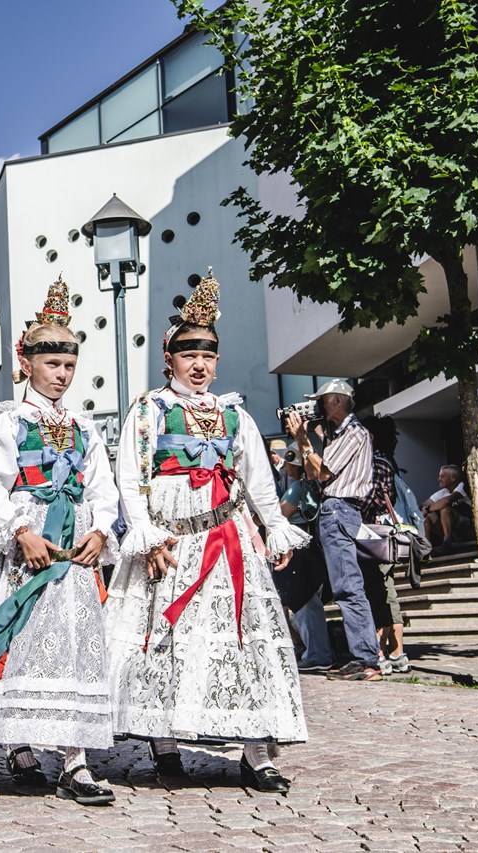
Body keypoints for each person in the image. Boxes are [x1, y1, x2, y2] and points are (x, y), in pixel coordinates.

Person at [103, 274, 308, 794]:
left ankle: (257, 752)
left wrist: (274, 527)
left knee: (243, 643)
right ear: (168, 359)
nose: (199, 365)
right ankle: (165, 744)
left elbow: (258, 480)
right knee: (165, 644)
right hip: (170, 545)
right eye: (188, 355)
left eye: (208, 356)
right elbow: (130, 477)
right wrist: (146, 536)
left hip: (227, 540)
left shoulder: (233, 414)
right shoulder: (148, 412)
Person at [0, 277, 119, 806]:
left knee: (73, 649)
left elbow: (102, 485)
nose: (62, 375)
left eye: (69, 367)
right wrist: (21, 530)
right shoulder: (9, 420)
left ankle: (76, 760)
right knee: (19, 637)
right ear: (28, 363)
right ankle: (17, 740)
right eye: (53, 365)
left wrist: (101, 529)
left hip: (74, 545)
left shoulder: (85, 427)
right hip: (25, 543)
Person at [286, 379, 382, 681]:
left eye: (323, 400)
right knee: (323, 582)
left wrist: (303, 439)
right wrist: (305, 442)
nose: (318, 406)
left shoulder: (354, 433)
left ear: (338, 401)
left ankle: (366, 659)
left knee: (347, 586)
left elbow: (324, 473)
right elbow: (312, 473)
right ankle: (350, 654)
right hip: (332, 511)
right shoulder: (336, 435)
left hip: (340, 509)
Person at [359, 415, 408, 675]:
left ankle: (380, 654)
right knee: (388, 593)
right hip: (384, 537)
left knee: (375, 593)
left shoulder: (371, 463)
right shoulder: (389, 462)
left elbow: (366, 501)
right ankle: (398, 653)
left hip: (370, 537)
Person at [277, 449, 332, 672]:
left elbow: (281, 514)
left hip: (299, 546)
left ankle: (317, 654)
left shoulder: (297, 488)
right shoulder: (313, 488)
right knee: (303, 601)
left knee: (305, 601)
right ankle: (312, 650)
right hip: (311, 545)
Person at [421, 464, 474, 554]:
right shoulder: (443, 492)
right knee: (428, 515)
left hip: (468, 529)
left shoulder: (462, 486)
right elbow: (424, 504)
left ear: (453, 478)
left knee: (445, 510)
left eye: (442, 476)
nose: (439, 479)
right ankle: (426, 549)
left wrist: (428, 508)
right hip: (454, 532)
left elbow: (446, 501)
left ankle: (447, 543)